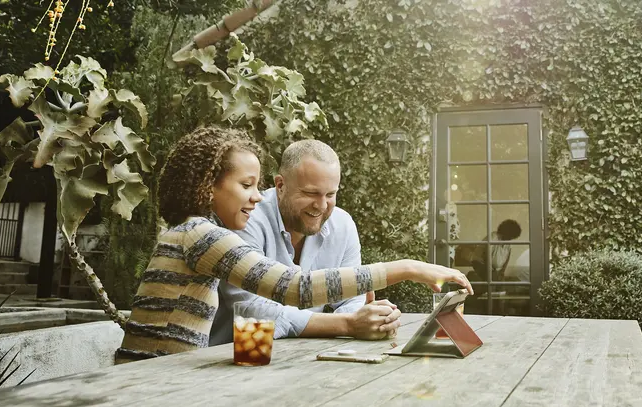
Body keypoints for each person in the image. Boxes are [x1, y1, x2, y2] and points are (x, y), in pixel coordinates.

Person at [114, 126, 471, 363]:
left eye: (257, 187)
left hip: (182, 372)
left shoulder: (199, 233)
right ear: (209, 187)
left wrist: (364, 320)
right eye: (246, 185)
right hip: (150, 381)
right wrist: (407, 268)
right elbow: (293, 288)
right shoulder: (202, 236)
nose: (256, 198)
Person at [212, 139, 391, 344]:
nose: (321, 206)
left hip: (304, 356)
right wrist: (347, 324)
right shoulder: (246, 218)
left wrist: (370, 320)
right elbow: (251, 308)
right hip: (229, 361)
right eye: (311, 193)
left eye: (330, 194)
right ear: (280, 185)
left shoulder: (343, 224)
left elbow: (352, 299)